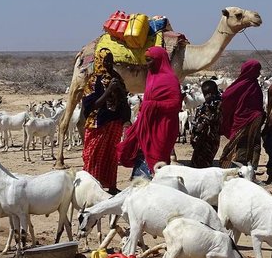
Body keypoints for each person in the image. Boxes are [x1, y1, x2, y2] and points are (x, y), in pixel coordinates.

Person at [117, 46, 182, 178]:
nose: (147, 64)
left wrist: (152, 105)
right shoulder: (151, 78)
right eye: (146, 60)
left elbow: (175, 104)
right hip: (147, 126)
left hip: (163, 128)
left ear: (159, 60)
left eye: (150, 60)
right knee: (141, 155)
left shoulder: (170, 80)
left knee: (158, 158)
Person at [81, 48, 130, 194]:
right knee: (93, 155)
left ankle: (112, 186)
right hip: (98, 122)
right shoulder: (93, 80)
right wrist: (109, 90)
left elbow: (124, 98)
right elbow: (90, 106)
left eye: (110, 60)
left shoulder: (116, 77)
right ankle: (91, 187)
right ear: (99, 61)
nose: (109, 63)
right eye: (106, 60)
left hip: (114, 121)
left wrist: (119, 89)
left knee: (111, 155)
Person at [218, 59, 265, 169]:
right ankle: (239, 167)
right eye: (257, 70)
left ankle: (250, 170)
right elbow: (226, 97)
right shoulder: (246, 84)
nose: (259, 73)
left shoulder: (248, 84)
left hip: (253, 119)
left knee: (253, 144)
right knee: (242, 143)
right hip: (244, 120)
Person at [189, 80, 222, 168]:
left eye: (209, 94)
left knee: (203, 167)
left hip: (209, 140)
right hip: (202, 141)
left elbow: (212, 119)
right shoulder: (205, 106)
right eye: (205, 94)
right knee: (197, 164)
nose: (207, 96)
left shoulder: (217, 105)